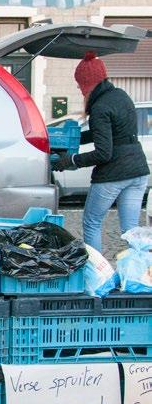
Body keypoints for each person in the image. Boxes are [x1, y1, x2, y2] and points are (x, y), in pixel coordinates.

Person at [52, 51, 149, 253]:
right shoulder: (121, 96)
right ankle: (141, 275)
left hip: (113, 174)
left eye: (79, 84)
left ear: (88, 83)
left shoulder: (100, 107)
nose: (79, 89)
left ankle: (97, 275)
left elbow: (104, 152)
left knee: (92, 222)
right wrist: (73, 138)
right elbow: (112, 134)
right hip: (138, 172)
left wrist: (70, 160)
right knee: (131, 231)